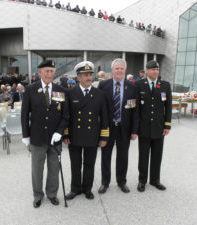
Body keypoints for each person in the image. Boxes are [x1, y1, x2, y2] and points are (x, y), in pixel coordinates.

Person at [21, 60, 69, 208]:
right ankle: (37, 195)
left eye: (52, 71)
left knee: (54, 168)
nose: (49, 74)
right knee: (37, 169)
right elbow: (24, 114)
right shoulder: (30, 89)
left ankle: (52, 194)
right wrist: (25, 135)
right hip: (37, 137)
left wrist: (59, 132)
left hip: (55, 138)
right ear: (40, 72)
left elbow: (66, 115)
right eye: (46, 71)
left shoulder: (61, 90)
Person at [64, 61, 109, 201]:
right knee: (75, 164)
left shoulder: (99, 94)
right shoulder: (70, 93)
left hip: (92, 135)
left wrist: (104, 137)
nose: (89, 77)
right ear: (78, 77)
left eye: (90, 74)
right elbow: (66, 116)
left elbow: (104, 117)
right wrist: (65, 134)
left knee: (89, 164)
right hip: (75, 135)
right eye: (85, 75)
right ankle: (75, 189)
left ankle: (87, 189)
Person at [97, 58, 140, 194]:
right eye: (117, 68)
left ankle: (122, 181)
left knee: (123, 155)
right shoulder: (103, 85)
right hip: (107, 127)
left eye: (122, 68)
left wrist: (134, 130)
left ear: (125, 70)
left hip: (124, 128)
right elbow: (98, 109)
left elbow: (135, 110)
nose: (119, 70)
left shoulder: (132, 87)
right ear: (112, 70)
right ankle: (105, 182)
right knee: (106, 155)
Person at [134, 60, 172, 192]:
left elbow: (168, 107)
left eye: (157, 69)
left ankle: (155, 180)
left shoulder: (165, 85)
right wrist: (135, 128)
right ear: (147, 71)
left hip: (159, 127)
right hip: (144, 127)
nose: (155, 71)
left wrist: (167, 126)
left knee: (157, 155)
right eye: (152, 69)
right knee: (143, 156)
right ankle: (142, 180)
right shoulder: (139, 85)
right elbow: (136, 108)